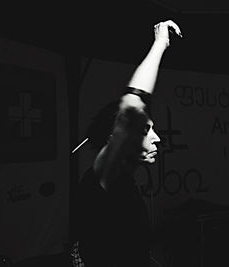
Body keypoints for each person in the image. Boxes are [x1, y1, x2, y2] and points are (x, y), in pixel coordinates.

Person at [72, 20, 182, 267]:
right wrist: (160, 44)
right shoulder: (102, 175)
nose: (158, 138)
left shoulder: (123, 182)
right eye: (145, 130)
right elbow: (133, 104)